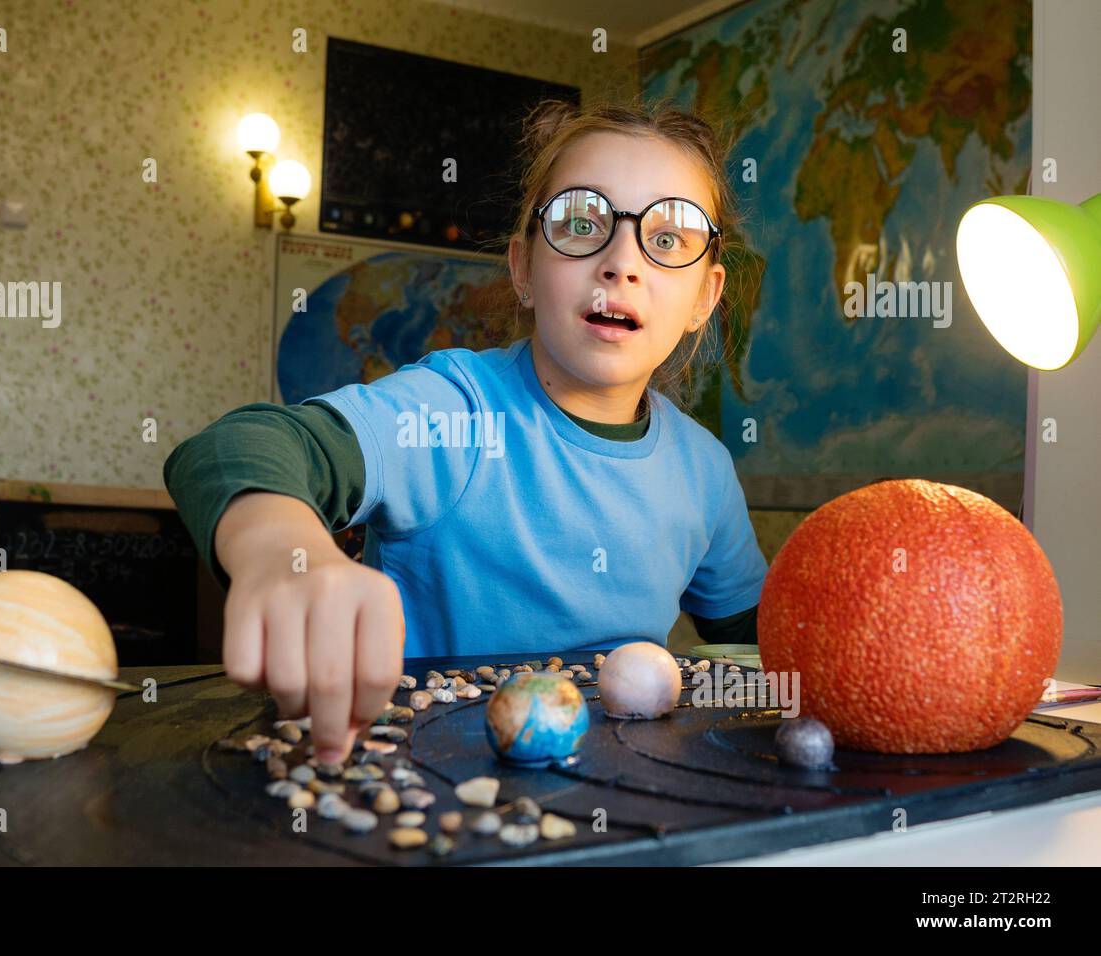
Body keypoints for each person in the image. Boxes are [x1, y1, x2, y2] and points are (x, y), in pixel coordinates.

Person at [164, 97, 767, 764]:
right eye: (578, 223)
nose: (621, 263)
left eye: (666, 237)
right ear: (523, 269)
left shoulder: (704, 469)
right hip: (425, 783)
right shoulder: (455, 411)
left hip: (626, 798)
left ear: (704, 300)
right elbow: (238, 446)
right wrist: (280, 550)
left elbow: (770, 644)